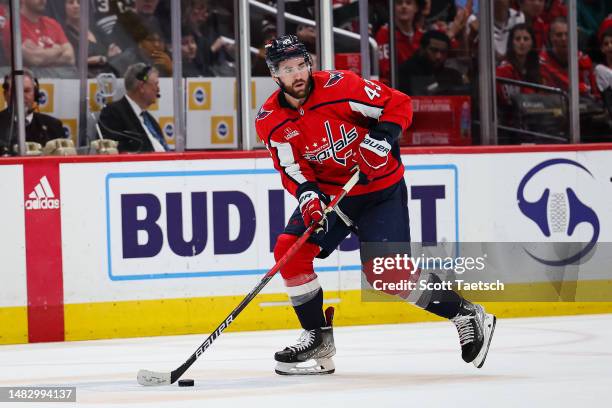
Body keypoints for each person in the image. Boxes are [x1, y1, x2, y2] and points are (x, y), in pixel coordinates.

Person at [255, 35, 496, 376]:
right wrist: (308, 196)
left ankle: (466, 314)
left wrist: (381, 138)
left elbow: (398, 104)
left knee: (387, 274)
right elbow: (293, 168)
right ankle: (317, 337)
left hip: (378, 189)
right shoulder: (271, 120)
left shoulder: (342, 87)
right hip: (333, 197)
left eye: (300, 65)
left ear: (309, 64)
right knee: (289, 250)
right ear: (274, 75)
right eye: (286, 68)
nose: (297, 74)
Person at [98, 63, 168, 152]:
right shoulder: (112, 113)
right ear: (142, 87)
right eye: (155, 84)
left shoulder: (150, 120)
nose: (158, 89)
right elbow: (114, 151)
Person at [0, 70, 65, 154]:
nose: (21, 96)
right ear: (5, 94)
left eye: (26, 91)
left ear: (35, 94)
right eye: (15, 91)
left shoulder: (53, 125)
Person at [2, 0, 75, 68]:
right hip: (27, 79)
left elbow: (70, 57)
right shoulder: (14, 26)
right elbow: (35, 59)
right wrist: (59, 50)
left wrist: (44, 55)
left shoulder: (52, 24)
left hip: (59, 79)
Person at [539, 17, 598, 97]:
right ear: (551, 37)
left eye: (567, 34)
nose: (564, 39)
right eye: (559, 35)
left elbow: (593, 93)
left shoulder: (584, 60)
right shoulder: (542, 62)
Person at [62, 0, 121, 76]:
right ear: (64, 7)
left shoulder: (95, 29)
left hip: (107, 74)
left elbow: (112, 48)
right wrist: (102, 58)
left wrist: (111, 53)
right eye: (71, 2)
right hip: (82, 79)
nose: (76, 6)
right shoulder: (63, 32)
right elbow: (74, 60)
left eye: (79, 3)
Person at [398, 30, 465, 95]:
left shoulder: (452, 76)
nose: (438, 56)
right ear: (422, 49)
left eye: (443, 52)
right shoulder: (405, 72)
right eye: (434, 50)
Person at [375, 0, 425, 85]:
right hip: (394, 88)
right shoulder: (384, 34)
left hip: (420, 88)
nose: (404, 6)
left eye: (408, 3)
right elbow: (387, 72)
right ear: (392, 7)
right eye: (399, 3)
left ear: (416, 8)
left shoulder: (421, 35)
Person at [496, 24, 541, 111]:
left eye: (526, 39)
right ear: (511, 43)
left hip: (534, 115)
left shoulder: (538, 67)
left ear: (532, 43)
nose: (522, 42)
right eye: (517, 39)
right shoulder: (503, 70)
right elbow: (508, 103)